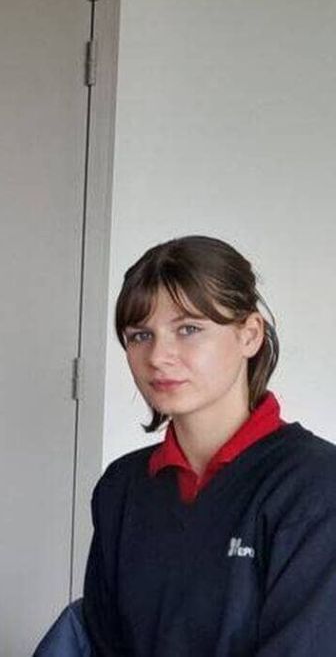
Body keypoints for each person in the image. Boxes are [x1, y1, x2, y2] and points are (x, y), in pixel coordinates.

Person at [83, 235, 336, 655]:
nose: (158, 356)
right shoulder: (121, 488)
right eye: (140, 335)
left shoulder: (315, 486)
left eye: (188, 329)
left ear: (250, 335)